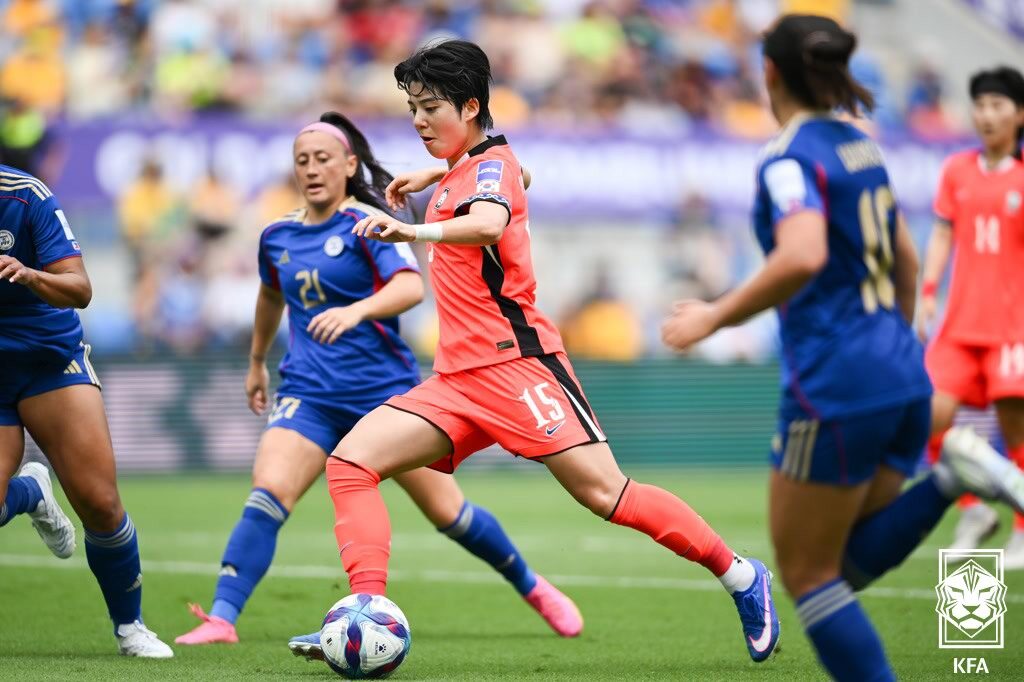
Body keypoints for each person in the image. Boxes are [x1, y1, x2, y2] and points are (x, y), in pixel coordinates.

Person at [309, 40, 780, 664]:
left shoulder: (489, 168)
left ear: (470, 106)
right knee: (350, 463)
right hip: (456, 381)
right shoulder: (477, 164)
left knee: (607, 495)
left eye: (431, 108)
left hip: (518, 368)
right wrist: (440, 174)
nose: (419, 121)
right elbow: (516, 174)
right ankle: (363, 615)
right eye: (413, 109)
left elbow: (489, 220)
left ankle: (742, 576)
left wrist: (412, 226)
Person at [661, 15, 1024, 681]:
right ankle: (952, 476)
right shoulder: (862, 146)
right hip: (902, 371)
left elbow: (803, 253)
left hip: (838, 381)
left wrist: (714, 315)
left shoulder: (788, 157)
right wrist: (898, 349)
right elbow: (907, 259)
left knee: (805, 573)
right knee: (840, 569)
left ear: (770, 72)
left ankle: (953, 477)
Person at [175, 112, 583, 652]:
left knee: (449, 513)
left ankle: (532, 586)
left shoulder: (367, 222)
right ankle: (222, 618)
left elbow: (410, 287)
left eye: (323, 159)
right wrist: (256, 361)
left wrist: (356, 311)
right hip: (309, 393)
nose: (312, 169)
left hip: (383, 395)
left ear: (349, 165)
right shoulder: (276, 235)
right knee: (268, 494)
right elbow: (270, 295)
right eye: (302, 161)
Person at [0, 163, 173, 657]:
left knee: (98, 502)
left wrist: (30, 274)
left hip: (46, 359)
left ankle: (130, 626)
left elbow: (80, 289)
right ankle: (30, 492)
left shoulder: (25, 196)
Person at [917, 66, 1024, 561]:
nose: (986, 115)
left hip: (1011, 328)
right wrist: (929, 291)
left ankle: (1022, 528)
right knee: (925, 418)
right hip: (959, 326)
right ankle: (972, 508)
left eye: (997, 105)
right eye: (980, 105)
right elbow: (942, 232)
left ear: (1019, 115)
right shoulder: (956, 170)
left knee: (1016, 433)